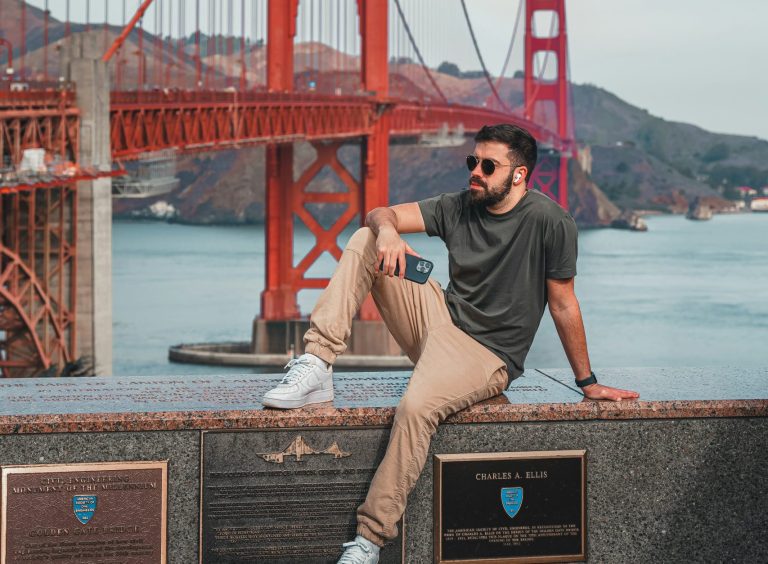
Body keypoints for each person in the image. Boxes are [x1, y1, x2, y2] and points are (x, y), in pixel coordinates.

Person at [262, 124, 640, 564]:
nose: (474, 172)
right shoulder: (459, 206)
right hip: (438, 317)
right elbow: (382, 212)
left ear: (518, 176)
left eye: (487, 166)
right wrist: (387, 231)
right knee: (367, 238)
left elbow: (563, 304)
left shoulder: (551, 222)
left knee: (415, 409)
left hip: (485, 355)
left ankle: (369, 539)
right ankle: (318, 364)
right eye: (471, 162)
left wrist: (588, 381)